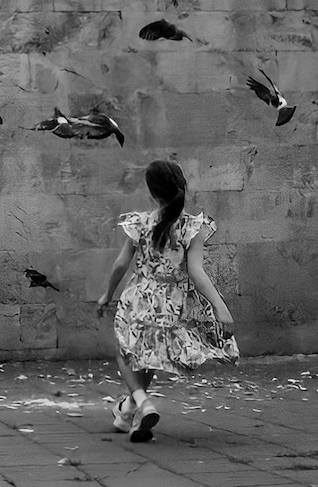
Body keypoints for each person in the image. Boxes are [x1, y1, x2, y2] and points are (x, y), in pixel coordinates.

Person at [96, 160, 239, 442]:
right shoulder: (192, 227)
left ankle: (142, 402)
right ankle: (129, 415)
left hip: (139, 298)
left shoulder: (141, 223)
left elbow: (120, 264)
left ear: (153, 194)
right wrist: (221, 309)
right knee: (146, 359)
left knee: (125, 352)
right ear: (183, 186)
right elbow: (197, 272)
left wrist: (107, 294)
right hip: (173, 304)